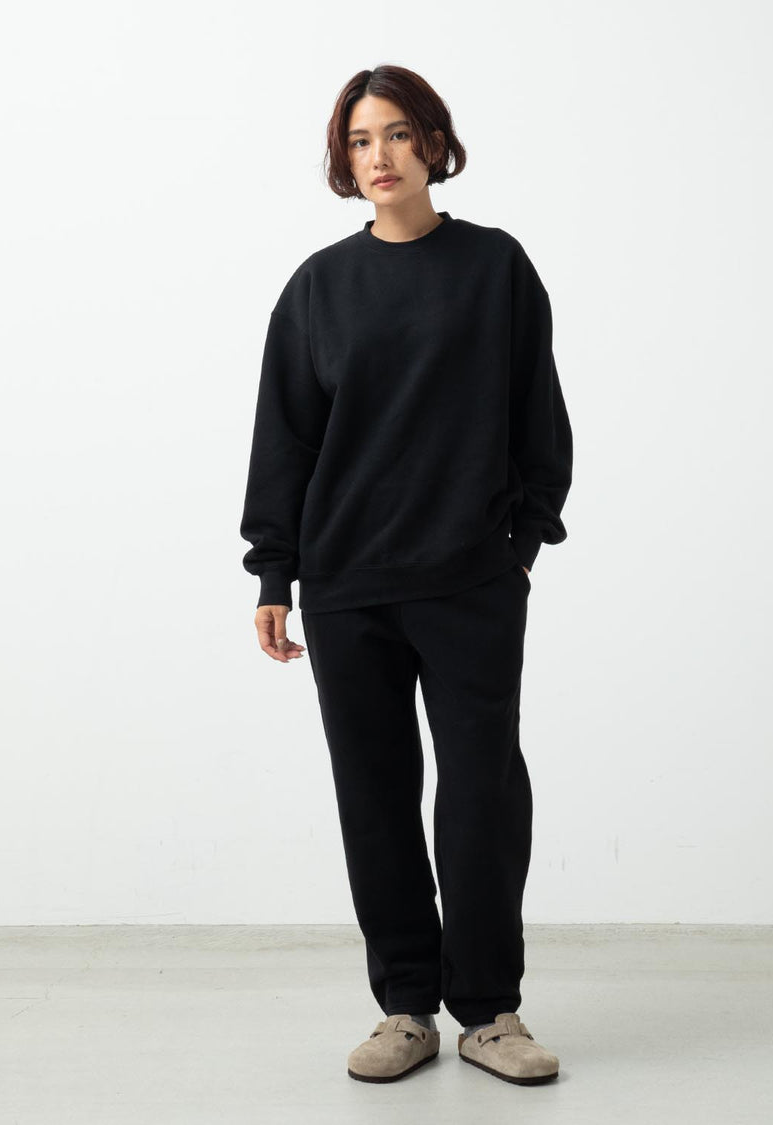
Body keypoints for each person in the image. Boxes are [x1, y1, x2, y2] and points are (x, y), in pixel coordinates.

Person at [239, 64, 572, 1085]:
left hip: (470, 581)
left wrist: (518, 544)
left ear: (432, 141)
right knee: (375, 798)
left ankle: (490, 1011)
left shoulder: (495, 268)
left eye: (394, 133)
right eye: (357, 140)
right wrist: (274, 574)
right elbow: (286, 438)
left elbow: (539, 416)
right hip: (348, 586)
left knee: (481, 796)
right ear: (344, 160)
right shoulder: (318, 288)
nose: (377, 156)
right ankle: (405, 1007)